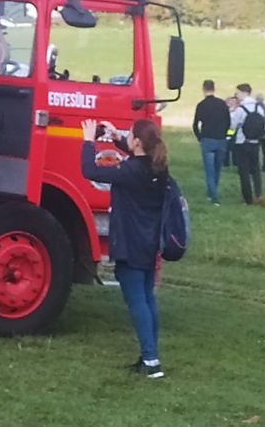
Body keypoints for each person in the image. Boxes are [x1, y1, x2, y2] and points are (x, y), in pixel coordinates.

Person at [80, 119, 168, 379]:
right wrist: (116, 136)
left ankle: (151, 360)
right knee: (147, 298)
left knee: (136, 301)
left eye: (130, 135)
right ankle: (150, 356)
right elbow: (136, 156)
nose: (127, 138)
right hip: (150, 242)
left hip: (130, 243)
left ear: (138, 142)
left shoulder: (130, 171)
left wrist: (87, 140)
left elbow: (90, 170)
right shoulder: (158, 167)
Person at [192, 80, 230, 206]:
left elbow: (195, 124)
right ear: (214, 88)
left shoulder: (201, 105)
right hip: (221, 139)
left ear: (204, 89)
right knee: (217, 169)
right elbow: (228, 122)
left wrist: (200, 137)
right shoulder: (222, 104)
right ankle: (212, 192)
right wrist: (224, 134)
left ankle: (213, 197)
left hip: (207, 140)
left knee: (209, 170)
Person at [230, 83, 265, 206]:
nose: (237, 96)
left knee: (244, 171)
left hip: (242, 143)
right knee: (255, 170)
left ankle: (247, 199)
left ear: (244, 93)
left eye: (238, 93)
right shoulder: (258, 107)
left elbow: (233, 126)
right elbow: (264, 126)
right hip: (255, 143)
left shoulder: (241, 109)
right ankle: (258, 194)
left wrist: (231, 112)